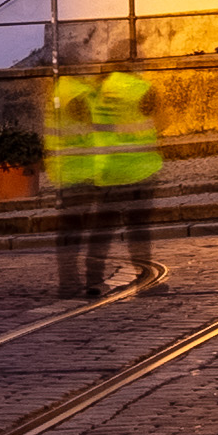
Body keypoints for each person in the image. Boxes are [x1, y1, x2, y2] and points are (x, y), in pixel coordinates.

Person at [45, 51, 165, 295]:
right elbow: (159, 117)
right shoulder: (80, 91)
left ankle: (90, 280)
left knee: (99, 231)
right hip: (128, 169)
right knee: (135, 230)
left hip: (101, 169)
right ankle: (141, 281)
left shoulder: (95, 91)